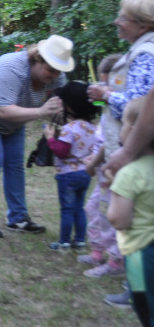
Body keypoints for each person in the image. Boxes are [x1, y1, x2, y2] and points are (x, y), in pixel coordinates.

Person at [0, 35, 72, 237]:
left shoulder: (57, 77)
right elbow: (4, 110)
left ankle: (18, 218)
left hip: (14, 118)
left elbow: (60, 108)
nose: (54, 75)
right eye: (50, 69)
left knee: (15, 164)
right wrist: (41, 111)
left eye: (58, 71)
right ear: (38, 59)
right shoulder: (13, 69)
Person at [85, 0, 154, 274]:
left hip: (138, 150)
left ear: (143, 25)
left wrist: (106, 94)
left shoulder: (146, 56)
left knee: (135, 216)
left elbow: (141, 107)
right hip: (131, 146)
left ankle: (134, 280)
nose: (117, 21)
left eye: (123, 18)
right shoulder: (138, 50)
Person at [103, 99, 154, 327]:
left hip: (140, 258)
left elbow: (119, 220)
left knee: (149, 318)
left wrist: (114, 191)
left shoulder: (130, 173)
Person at [80, 54, 127, 277]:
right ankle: (98, 250)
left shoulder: (124, 107)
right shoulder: (108, 111)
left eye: (105, 83)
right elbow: (105, 140)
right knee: (93, 208)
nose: (101, 89)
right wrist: (94, 161)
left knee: (114, 215)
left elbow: (116, 141)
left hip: (115, 172)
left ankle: (117, 261)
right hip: (102, 173)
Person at [42, 82, 100, 250]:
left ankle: (64, 242)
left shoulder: (69, 129)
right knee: (79, 208)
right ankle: (80, 240)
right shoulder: (92, 128)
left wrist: (50, 137)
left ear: (69, 106)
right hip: (85, 174)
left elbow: (61, 151)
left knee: (67, 209)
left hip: (68, 175)